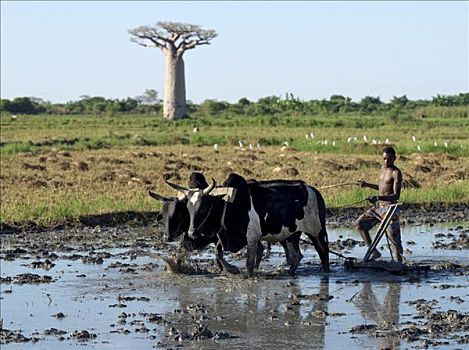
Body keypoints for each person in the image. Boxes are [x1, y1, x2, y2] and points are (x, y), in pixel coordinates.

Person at [355, 146, 403, 262]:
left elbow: (396, 195)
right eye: (385, 159)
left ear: (395, 158)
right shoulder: (382, 169)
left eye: (389, 159)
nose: (387, 161)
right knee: (359, 224)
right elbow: (382, 188)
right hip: (379, 207)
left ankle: (399, 264)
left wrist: (378, 197)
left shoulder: (396, 173)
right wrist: (367, 185)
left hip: (391, 208)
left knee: (394, 240)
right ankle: (374, 251)